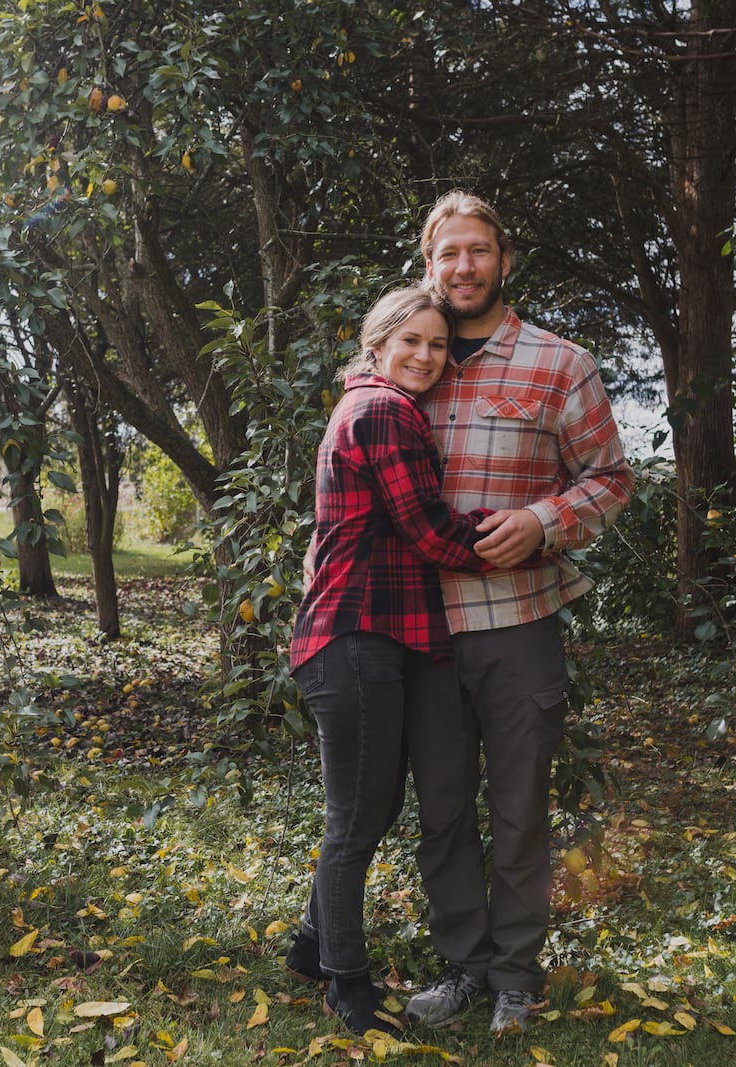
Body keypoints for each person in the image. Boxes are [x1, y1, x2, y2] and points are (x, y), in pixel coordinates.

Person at [402, 190, 634, 1034]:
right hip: (418, 628)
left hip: (521, 618)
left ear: (503, 258)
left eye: (477, 250)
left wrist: (544, 521)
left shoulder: (558, 363)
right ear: (428, 266)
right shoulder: (407, 360)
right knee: (442, 810)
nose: (463, 267)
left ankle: (516, 976)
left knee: (520, 807)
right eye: (447, 254)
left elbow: (610, 477)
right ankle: (462, 967)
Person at [284, 287, 503, 1038]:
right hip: (354, 638)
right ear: (377, 343)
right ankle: (349, 986)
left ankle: (314, 945)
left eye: (438, 345)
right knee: (355, 822)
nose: (425, 355)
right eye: (410, 339)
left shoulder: (374, 406)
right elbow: (429, 532)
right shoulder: (381, 410)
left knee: (364, 813)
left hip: (361, 639)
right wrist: (522, 532)